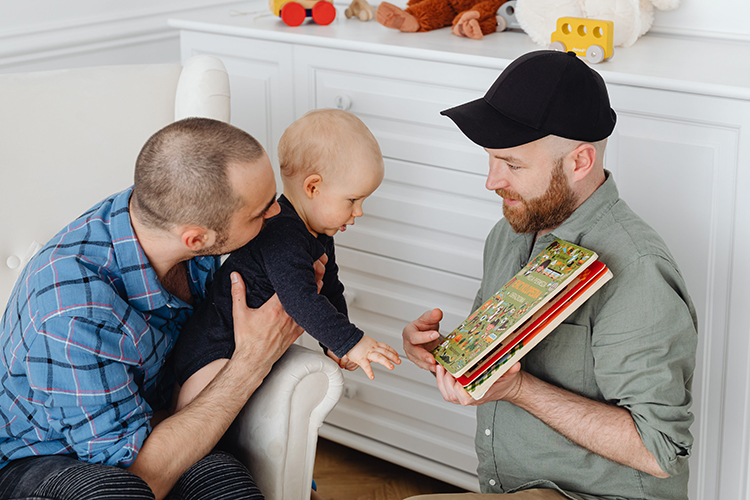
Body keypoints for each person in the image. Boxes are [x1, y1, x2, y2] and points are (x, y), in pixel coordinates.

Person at [402, 50, 698, 500]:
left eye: (513, 164)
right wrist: (444, 355)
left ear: (579, 162)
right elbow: (494, 360)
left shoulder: (637, 268)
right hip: (513, 487)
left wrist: (518, 388)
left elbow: (659, 450)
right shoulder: (508, 232)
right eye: (491, 159)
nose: (491, 181)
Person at [0, 117, 322, 500]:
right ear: (196, 237)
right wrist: (252, 361)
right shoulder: (71, 310)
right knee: (117, 492)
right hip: (42, 454)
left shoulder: (173, 214)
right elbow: (140, 474)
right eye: (261, 212)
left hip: (154, 423)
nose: (277, 215)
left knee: (226, 482)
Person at [173, 109, 401, 411]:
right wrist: (352, 341)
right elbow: (301, 300)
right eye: (353, 200)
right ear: (313, 187)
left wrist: (335, 344)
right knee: (198, 411)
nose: (359, 212)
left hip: (240, 349)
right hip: (211, 349)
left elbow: (330, 290)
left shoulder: (318, 234)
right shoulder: (283, 235)